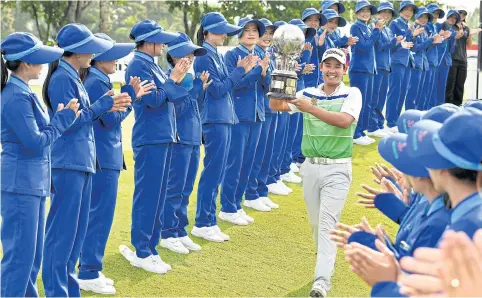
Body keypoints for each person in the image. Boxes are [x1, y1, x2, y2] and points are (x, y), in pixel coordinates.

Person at [41, 23, 132, 297]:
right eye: (90, 48)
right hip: (68, 162)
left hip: (81, 161)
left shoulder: (73, 76)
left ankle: (68, 289)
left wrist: (103, 106)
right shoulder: (62, 79)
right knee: (62, 234)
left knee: (75, 233)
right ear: (79, 51)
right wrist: (104, 105)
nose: (95, 53)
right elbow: (69, 122)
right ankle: (57, 291)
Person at [270, 48, 362, 297]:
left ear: (345, 69)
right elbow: (276, 105)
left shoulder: (352, 93)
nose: (332, 70)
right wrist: (282, 75)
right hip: (310, 167)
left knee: (326, 225)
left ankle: (321, 282)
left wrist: (310, 109)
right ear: (321, 67)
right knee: (315, 225)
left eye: (337, 66)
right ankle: (326, 264)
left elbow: (344, 121)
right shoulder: (307, 93)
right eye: (327, 65)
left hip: (338, 168)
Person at [0, 32, 79, 297]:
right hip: (21, 184)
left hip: (31, 183)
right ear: (25, 63)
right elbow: (35, 142)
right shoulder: (15, 96)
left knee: (32, 257)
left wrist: (60, 118)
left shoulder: (23, 92)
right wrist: (63, 118)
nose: (44, 64)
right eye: (39, 59)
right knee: (20, 260)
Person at [77, 33, 152, 294]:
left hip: (104, 156)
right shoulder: (97, 81)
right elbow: (109, 120)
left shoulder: (99, 78)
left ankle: (89, 269)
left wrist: (130, 96)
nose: (118, 59)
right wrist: (131, 95)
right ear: (98, 58)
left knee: (97, 214)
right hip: (102, 157)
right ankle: (88, 271)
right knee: (99, 216)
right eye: (112, 54)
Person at [118, 19, 190, 274]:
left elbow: (169, 96)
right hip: (151, 138)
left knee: (158, 196)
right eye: (160, 40)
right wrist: (174, 78)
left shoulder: (151, 64)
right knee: (148, 196)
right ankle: (142, 250)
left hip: (162, 136)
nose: (163, 45)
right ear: (149, 41)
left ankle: (151, 248)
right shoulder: (138, 64)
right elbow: (156, 100)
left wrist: (174, 81)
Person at [193, 12, 255, 241]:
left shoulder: (214, 54)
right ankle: (203, 221)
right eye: (218, 31)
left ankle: (209, 220)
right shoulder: (203, 56)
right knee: (213, 170)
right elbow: (217, 89)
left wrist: (238, 71)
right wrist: (240, 71)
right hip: (214, 118)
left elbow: (223, 85)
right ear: (207, 32)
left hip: (224, 117)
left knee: (218, 170)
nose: (223, 35)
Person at [160, 32, 211, 253]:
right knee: (175, 186)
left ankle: (180, 230)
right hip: (179, 138)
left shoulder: (191, 78)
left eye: (192, 54)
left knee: (186, 187)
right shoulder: (168, 78)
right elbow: (177, 109)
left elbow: (195, 108)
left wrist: (198, 88)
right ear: (173, 56)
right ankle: (167, 232)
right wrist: (186, 85)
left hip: (192, 137)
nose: (190, 58)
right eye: (185, 54)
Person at [221, 17, 268, 217]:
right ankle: (227, 206)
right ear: (239, 33)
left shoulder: (261, 54)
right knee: (235, 161)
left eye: (255, 30)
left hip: (257, 114)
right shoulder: (232, 55)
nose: (251, 33)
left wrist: (264, 73)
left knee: (249, 161)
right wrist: (257, 71)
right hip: (239, 115)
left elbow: (267, 86)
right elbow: (235, 84)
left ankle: (237, 205)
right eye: (246, 30)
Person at [245, 18, 280, 210]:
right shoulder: (256, 54)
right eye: (264, 32)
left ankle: (260, 189)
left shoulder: (267, 54)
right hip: (261, 108)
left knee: (266, 152)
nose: (268, 36)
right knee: (258, 153)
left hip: (268, 107)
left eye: (271, 33)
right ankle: (252, 192)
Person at [367, 2, 407, 137]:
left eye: (389, 13)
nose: (386, 15)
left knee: (382, 97)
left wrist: (398, 43)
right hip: (377, 65)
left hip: (386, 66)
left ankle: (379, 124)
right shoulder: (374, 26)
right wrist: (393, 42)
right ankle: (372, 126)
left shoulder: (388, 29)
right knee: (375, 97)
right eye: (383, 12)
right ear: (378, 13)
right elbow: (380, 47)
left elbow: (391, 49)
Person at [349, 0, 381, 146]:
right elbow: (364, 46)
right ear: (356, 13)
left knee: (367, 102)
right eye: (362, 10)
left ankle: (362, 131)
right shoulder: (356, 26)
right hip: (359, 69)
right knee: (359, 103)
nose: (365, 13)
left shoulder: (368, 28)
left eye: (367, 11)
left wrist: (375, 31)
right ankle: (355, 133)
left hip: (369, 69)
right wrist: (376, 31)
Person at [385, 0, 418, 133]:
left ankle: (397, 120)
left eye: (411, 10)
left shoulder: (408, 25)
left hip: (407, 62)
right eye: (406, 9)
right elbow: (393, 43)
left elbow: (411, 43)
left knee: (402, 92)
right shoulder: (395, 23)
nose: (408, 12)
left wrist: (413, 35)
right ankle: (391, 121)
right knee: (395, 92)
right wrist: (411, 34)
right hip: (397, 61)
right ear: (401, 10)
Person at [405, 7, 442, 110]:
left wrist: (433, 42)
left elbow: (425, 49)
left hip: (424, 64)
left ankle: (420, 115)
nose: (424, 19)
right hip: (416, 64)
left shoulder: (424, 30)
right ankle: (410, 116)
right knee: (413, 93)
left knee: (422, 93)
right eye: (421, 16)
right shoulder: (413, 28)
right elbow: (415, 48)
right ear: (416, 16)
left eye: (426, 17)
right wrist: (430, 41)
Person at [446, 10, 473, 106]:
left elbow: (469, 45)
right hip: (452, 58)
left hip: (463, 59)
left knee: (460, 84)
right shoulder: (450, 26)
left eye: (464, 15)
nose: (462, 16)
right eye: (460, 14)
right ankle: (448, 106)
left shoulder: (466, 28)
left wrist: (469, 33)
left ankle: (458, 105)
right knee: (450, 84)